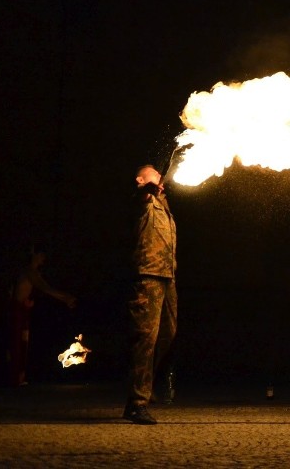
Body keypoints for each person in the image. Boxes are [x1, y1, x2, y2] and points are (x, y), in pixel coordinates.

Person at [123, 165, 178, 425]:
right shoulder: (141, 201)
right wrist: (148, 188)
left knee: (167, 333)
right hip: (147, 276)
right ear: (141, 179)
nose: (160, 180)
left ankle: (145, 384)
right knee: (145, 338)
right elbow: (141, 196)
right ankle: (136, 403)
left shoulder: (163, 205)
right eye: (155, 176)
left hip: (167, 277)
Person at [6, 243, 77, 387]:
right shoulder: (29, 271)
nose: (43, 258)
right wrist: (66, 297)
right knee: (16, 343)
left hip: (23, 311)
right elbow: (45, 288)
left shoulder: (33, 272)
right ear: (35, 255)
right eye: (41, 255)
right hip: (17, 311)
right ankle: (13, 379)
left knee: (23, 342)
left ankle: (19, 377)